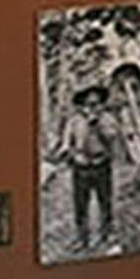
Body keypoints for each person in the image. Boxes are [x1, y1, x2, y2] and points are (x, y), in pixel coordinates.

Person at [54, 83, 121, 252]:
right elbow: (67, 142)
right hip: (81, 167)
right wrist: (65, 152)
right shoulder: (74, 121)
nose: (93, 107)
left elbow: (112, 138)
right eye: (89, 103)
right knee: (80, 204)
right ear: (82, 104)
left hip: (101, 165)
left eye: (96, 103)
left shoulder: (108, 119)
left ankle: (107, 233)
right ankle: (81, 237)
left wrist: (97, 125)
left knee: (105, 201)